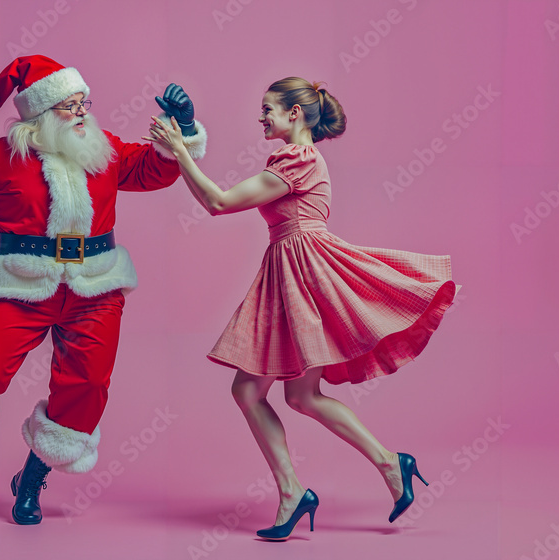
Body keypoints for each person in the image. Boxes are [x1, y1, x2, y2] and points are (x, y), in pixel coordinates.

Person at [0, 55, 207, 525]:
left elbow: (153, 170)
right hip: (21, 283)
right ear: (41, 114)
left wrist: (183, 128)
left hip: (95, 285)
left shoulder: (103, 148)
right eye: (70, 105)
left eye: (84, 102)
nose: (83, 112)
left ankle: (31, 477)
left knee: (87, 386)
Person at [144, 76, 458, 541]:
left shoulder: (299, 159)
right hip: (291, 273)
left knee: (261, 393)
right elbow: (220, 203)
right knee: (297, 396)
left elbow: (219, 202)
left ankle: (304, 488)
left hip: (304, 275)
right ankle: (385, 466)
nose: (261, 117)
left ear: (295, 114)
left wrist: (181, 149)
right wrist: (182, 146)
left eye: (268, 109)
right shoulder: (301, 160)